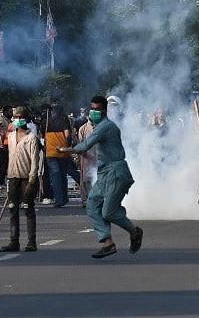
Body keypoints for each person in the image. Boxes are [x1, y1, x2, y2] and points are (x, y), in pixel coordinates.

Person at [58, 96, 143, 259]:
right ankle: (107, 243)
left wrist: (65, 150)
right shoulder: (100, 126)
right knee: (91, 205)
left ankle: (134, 232)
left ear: (104, 110)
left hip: (116, 172)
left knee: (108, 212)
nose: (93, 112)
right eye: (92, 109)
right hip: (104, 172)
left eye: (97, 109)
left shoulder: (106, 127)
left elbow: (86, 145)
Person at [0, 107, 41, 252]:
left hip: (26, 178)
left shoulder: (31, 138)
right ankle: (14, 241)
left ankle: (31, 242)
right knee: (12, 209)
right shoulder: (10, 137)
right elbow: (10, 157)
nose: (17, 119)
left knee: (28, 209)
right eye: (15, 117)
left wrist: (32, 181)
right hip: (13, 177)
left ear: (26, 119)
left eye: (20, 117)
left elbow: (35, 162)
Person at [44, 98, 80, 208]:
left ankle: (59, 200)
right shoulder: (64, 119)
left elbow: (42, 136)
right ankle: (64, 198)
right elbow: (67, 135)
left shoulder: (46, 120)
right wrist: (68, 145)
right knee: (63, 175)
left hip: (51, 151)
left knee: (56, 176)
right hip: (63, 151)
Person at [77, 115, 98, 207]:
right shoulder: (83, 129)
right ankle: (85, 199)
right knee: (85, 179)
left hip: (98, 157)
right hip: (86, 157)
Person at [0, 106, 12, 191]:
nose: (11, 113)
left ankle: (5, 181)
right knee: (2, 164)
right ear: (5, 112)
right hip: (3, 145)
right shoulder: (1, 120)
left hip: (10, 144)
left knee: (8, 164)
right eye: (10, 111)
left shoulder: (10, 121)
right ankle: (1, 182)